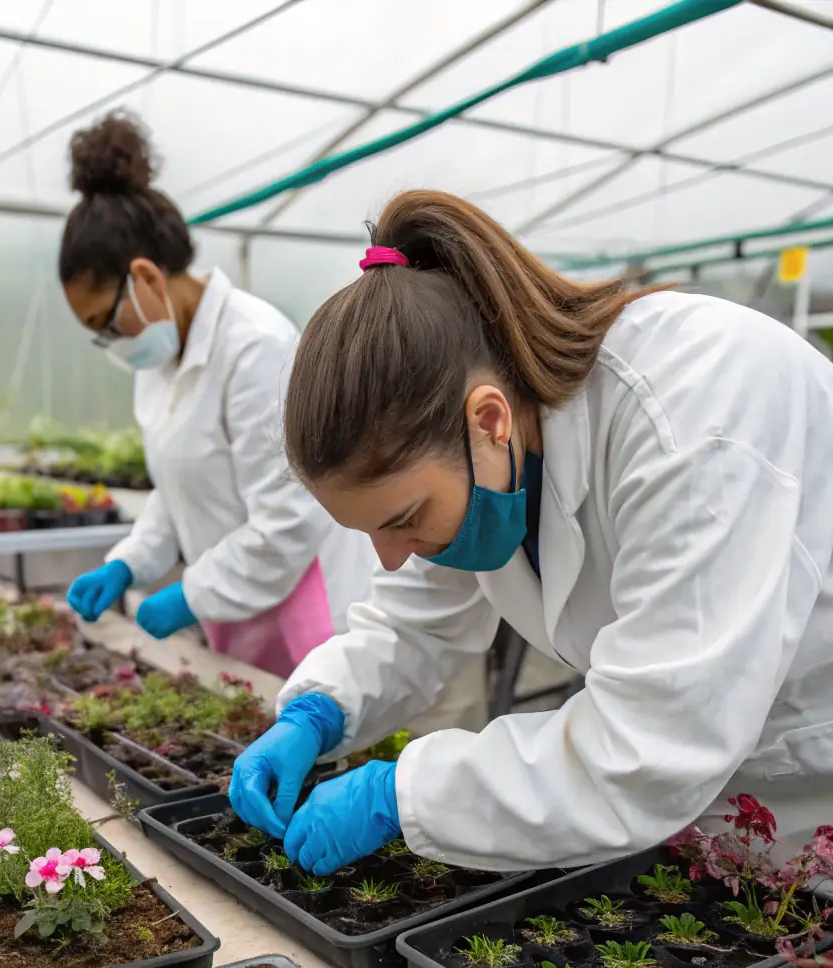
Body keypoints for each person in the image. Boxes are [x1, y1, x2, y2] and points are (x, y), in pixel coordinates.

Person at [229, 190, 833, 875]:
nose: (392, 559)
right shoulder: (486, 445)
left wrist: (400, 793)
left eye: (401, 520)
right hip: (712, 813)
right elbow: (415, 625)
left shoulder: (697, 420)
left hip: (812, 789)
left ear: (489, 421)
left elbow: (648, 748)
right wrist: (318, 709)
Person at [60, 112, 375, 677]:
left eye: (106, 323)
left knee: (318, 732)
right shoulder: (155, 363)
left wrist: (190, 594)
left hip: (307, 605)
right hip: (241, 608)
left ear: (146, 280)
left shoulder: (256, 347)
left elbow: (288, 520)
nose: (111, 343)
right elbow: (179, 486)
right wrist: (130, 564)